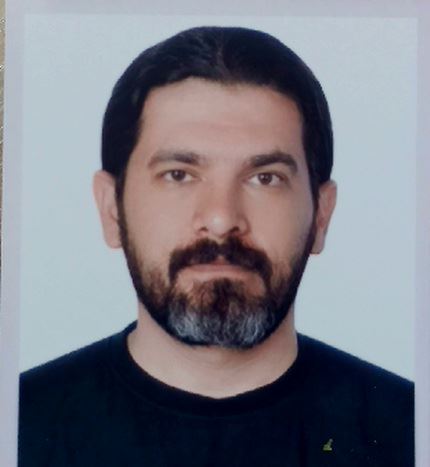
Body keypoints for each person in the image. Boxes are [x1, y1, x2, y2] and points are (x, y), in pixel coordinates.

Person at [18, 26, 414, 466]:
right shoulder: (18, 428)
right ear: (112, 210)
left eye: (265, 178)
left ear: (321, 215)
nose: (222, 218)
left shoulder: (410, 433)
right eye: (179, 175)